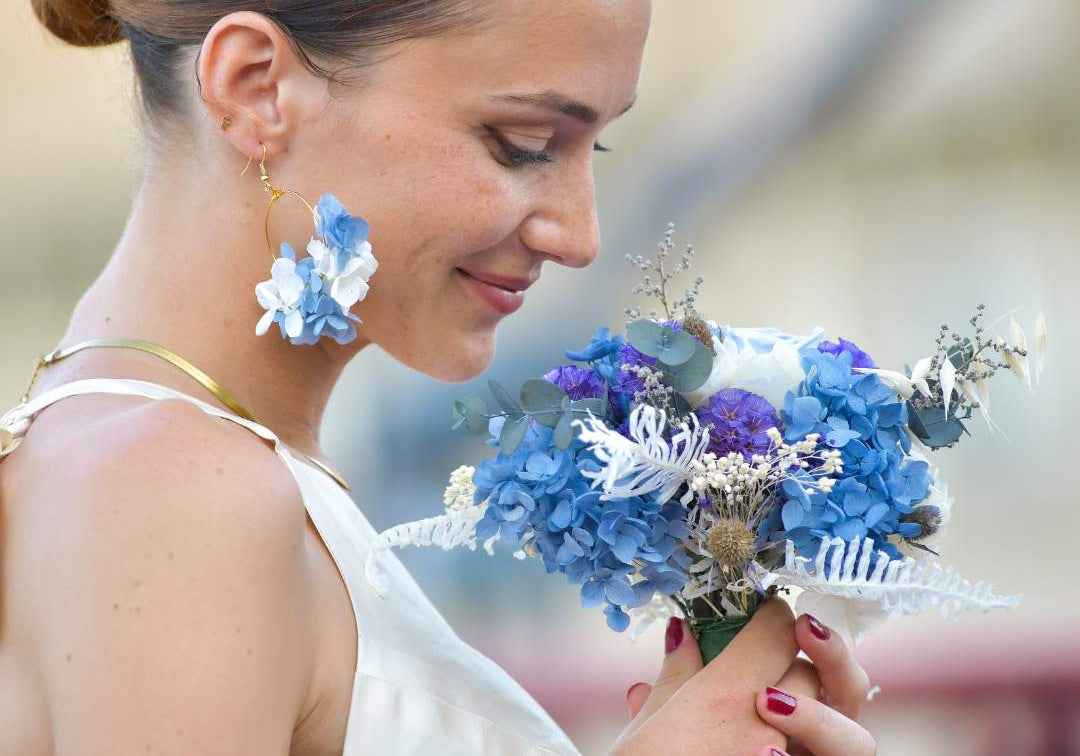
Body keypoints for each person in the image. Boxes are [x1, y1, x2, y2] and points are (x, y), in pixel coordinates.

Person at [0, 1, 876, 754]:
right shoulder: (179, 493)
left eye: (594, 151)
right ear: (257, 88)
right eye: (523, 144)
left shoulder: (163, 463)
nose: (579, 235)